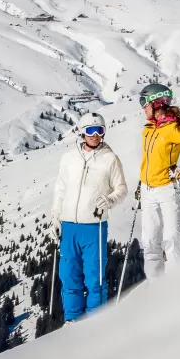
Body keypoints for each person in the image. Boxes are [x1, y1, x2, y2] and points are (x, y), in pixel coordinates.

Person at [50, 112, 127, 323]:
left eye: (100, 130)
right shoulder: (69, 158)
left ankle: (95, 323)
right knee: (69, 275)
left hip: (94, 226)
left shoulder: (110, 159)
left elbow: (121, 189)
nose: (95, 135)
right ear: (82, 132)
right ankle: (72, 320)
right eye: (91, 130)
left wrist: (110, 200)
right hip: (69, 225)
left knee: (95, 278)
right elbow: (60, 188)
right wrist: (56, 217)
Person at [136, 82, 180, 277]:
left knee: (172, 238)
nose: (142, 107)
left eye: (144, 102)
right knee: (149, 241)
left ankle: (177, 285)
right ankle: (156, 286)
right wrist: (142, 181)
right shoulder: (148, 130)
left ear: (156, 103)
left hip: (167, 189)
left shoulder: (174, 129)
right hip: (147, 190)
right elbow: (149, 160)